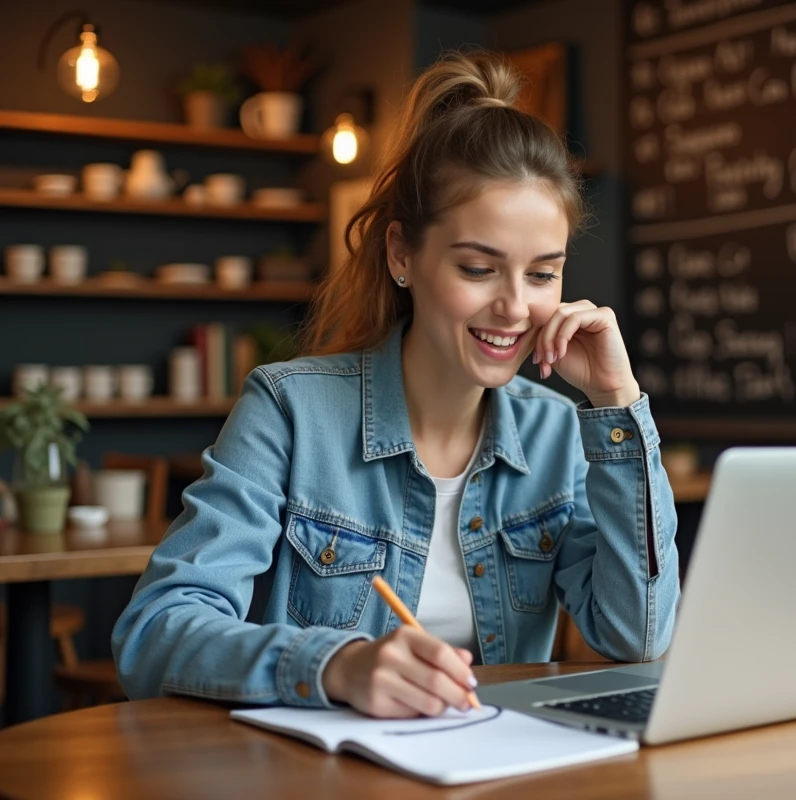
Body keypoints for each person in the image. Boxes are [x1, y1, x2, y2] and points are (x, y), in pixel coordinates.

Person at [111, 50, 680, 719]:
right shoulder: (290, 411)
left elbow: (638, 637)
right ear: (402, 254)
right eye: (478, 268)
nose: (516, 307)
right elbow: (154, 632)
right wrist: (335, 665)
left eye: (542, 273)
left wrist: (617, 404)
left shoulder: (558, 433)